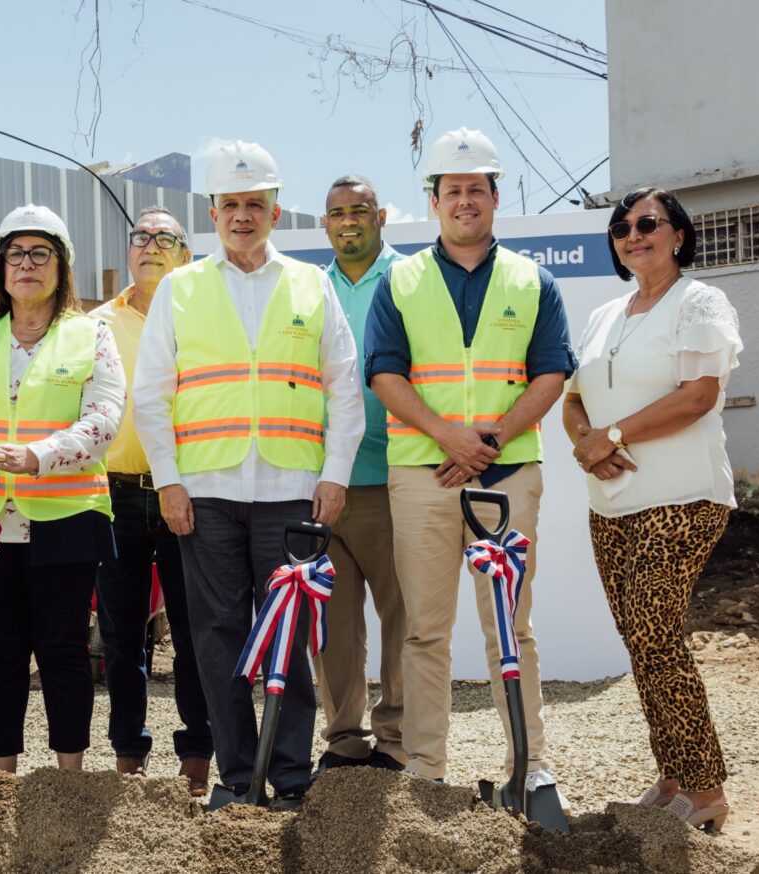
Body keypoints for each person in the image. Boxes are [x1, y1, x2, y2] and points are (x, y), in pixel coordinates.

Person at [133, 140, 364, 809]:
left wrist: (336, 475)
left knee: (288, 640)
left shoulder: (309, 284)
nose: (242, 215)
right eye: (230, 204)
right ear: (212, 212)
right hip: (205, 496)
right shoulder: (181, 288)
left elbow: (343, 388)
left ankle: (289, 779)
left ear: (275, 210)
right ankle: (237, 780)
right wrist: (169, 481)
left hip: (291, 492)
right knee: (215, 639)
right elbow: (151, 396)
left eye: (254, 204)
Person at [365, 128, 576, 794]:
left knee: (513, 628)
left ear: (494, 197)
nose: (464, 201)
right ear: (433, 201)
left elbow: (550, 373)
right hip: (422, 479)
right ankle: (426, 770)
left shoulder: (532, 280)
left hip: (508, 475)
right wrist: (449, 437)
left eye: (475, 189)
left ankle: (529, 766)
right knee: (425, 632)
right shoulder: (400, 280)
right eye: (452, 190)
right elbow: (385, 373)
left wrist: (486, 441)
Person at [563, 187, 741, 832]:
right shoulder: (606, 314)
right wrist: (586, 439)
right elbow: (574, 397)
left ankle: (705, 788)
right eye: (620, 227)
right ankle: (671, 776)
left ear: (677, 235)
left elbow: (698, 396)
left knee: (656, 632)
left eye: (646, 224)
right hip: (610, 503)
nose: (632, 235)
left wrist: (613, 436)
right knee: (641, 641)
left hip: (682, 497)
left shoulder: (700, 302)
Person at [0, 204, 123, 774]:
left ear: (62, 269)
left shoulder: (92, 335)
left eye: (41, 254)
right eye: (16, 253)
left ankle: (69, 783)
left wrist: (35, 457)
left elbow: (105, 417)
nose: (27, 264)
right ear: (0, 268)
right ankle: (1, 781)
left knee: (64, 653)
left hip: (67, 520)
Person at [92, 208, 213, 793]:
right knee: (121, 635)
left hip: (186, 494)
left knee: (194, 630)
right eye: (141, 236)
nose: (150, 246)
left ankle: (196, 753)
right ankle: (127, 752)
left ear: (185, 256)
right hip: (114, 497)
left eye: (165, 238)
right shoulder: (93, 324)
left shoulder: (202, 319)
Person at [311, 175, 407, 776]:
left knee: (404, 616)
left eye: (360, 210)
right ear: (325, 223)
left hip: (393, 476)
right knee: (333, 623)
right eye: (337, 212)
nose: (348, 220)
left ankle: (396, 738)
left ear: (381, 216)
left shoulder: (412, 280)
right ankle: (344, 739)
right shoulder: (309, 287)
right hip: (322, 482)